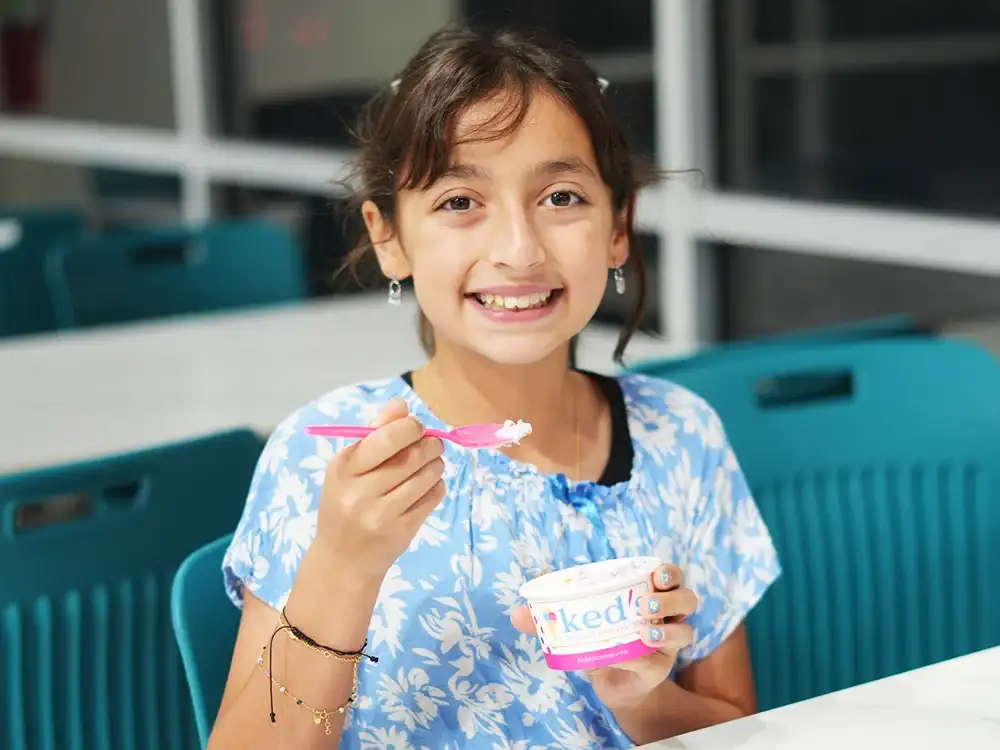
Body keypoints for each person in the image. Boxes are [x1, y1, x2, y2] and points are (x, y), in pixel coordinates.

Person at [208, 26, 781, 750]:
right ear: (390, 238)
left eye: (562, 196)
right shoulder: (320, 458)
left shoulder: (681, 436)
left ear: (619, 227)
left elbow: (742, 729)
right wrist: (343, 565)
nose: (518, 249)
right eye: (458, 202)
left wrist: (642, 701)